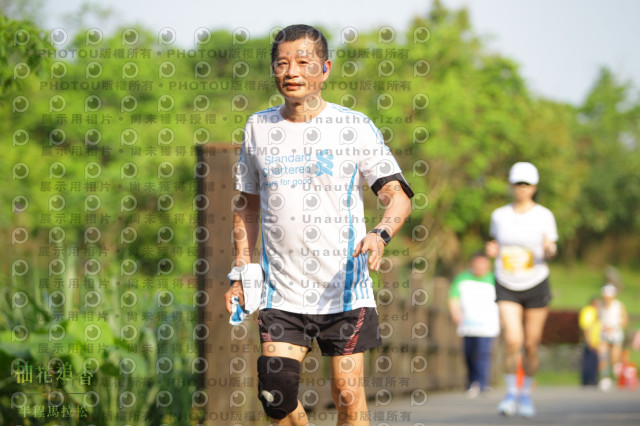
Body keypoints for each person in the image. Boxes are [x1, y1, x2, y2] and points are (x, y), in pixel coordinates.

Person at [224, 24, 414, 426]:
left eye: (303, 62)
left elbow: (397, 195)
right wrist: (241, 270)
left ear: (325, 70)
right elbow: (246, 204)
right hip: (281, 291)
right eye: (282, 63)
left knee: (347, 394)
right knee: (276, 395)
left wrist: (381, 233)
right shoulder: (258, 127)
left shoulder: (353, 126)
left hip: (344, 290)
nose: (292, 71)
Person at [486, 161, 558, 418]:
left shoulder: (544, 215)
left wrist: (549, 249)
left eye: (526, 184)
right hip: (506, 281)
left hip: (536, 281)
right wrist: (491, 250)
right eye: (518, 183)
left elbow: (552, 249)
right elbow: (494, 243)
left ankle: (526, 394)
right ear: (511, 185)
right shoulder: (499, 215)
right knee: (513, 340)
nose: (522, 188)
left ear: (534, 187)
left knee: (531, 344)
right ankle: (510, 394)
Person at [448, 252, 500, 397]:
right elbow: (453, 297)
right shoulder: (462, 278)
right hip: (468, 324)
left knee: (483, 353)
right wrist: (455, 312)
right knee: (468, 353)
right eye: (477, 263)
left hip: (487, 324)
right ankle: (471, 381)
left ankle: (482, 383)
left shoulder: (495, 280)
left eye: (482, 263)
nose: (479, 266)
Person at [597, 283, 628, 391]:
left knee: (615, 358)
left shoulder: (618, 305)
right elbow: (598, 320)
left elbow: (624, 320)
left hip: (616, 334)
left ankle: (618, 374)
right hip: (604, 335)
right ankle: (605, 378)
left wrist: (614, 327)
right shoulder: (600, 305)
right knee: (603, 357)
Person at [578, 297, 601, 386]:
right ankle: (588, 379)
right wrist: (589, 340)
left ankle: (592, 379)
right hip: (590, 340)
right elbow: (586, 327)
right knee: (589, 361)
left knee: (593, 360)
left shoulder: (594, 312)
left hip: (595, 341)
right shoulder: (588, 311)